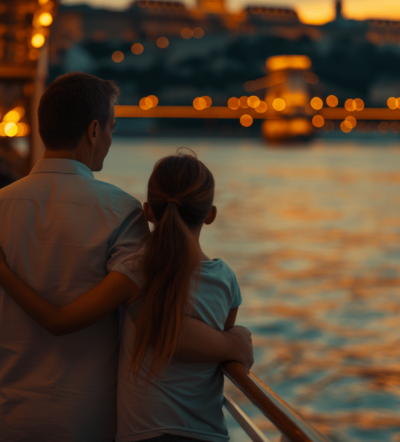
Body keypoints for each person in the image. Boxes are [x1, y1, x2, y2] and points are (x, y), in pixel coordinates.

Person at [0, 73, 253, 442]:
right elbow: (161, 316)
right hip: (92, 421)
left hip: (11, 414)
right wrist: (234, 344)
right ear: (92, 131)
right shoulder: (121, 211)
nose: (110, 140)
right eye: (111, 128)